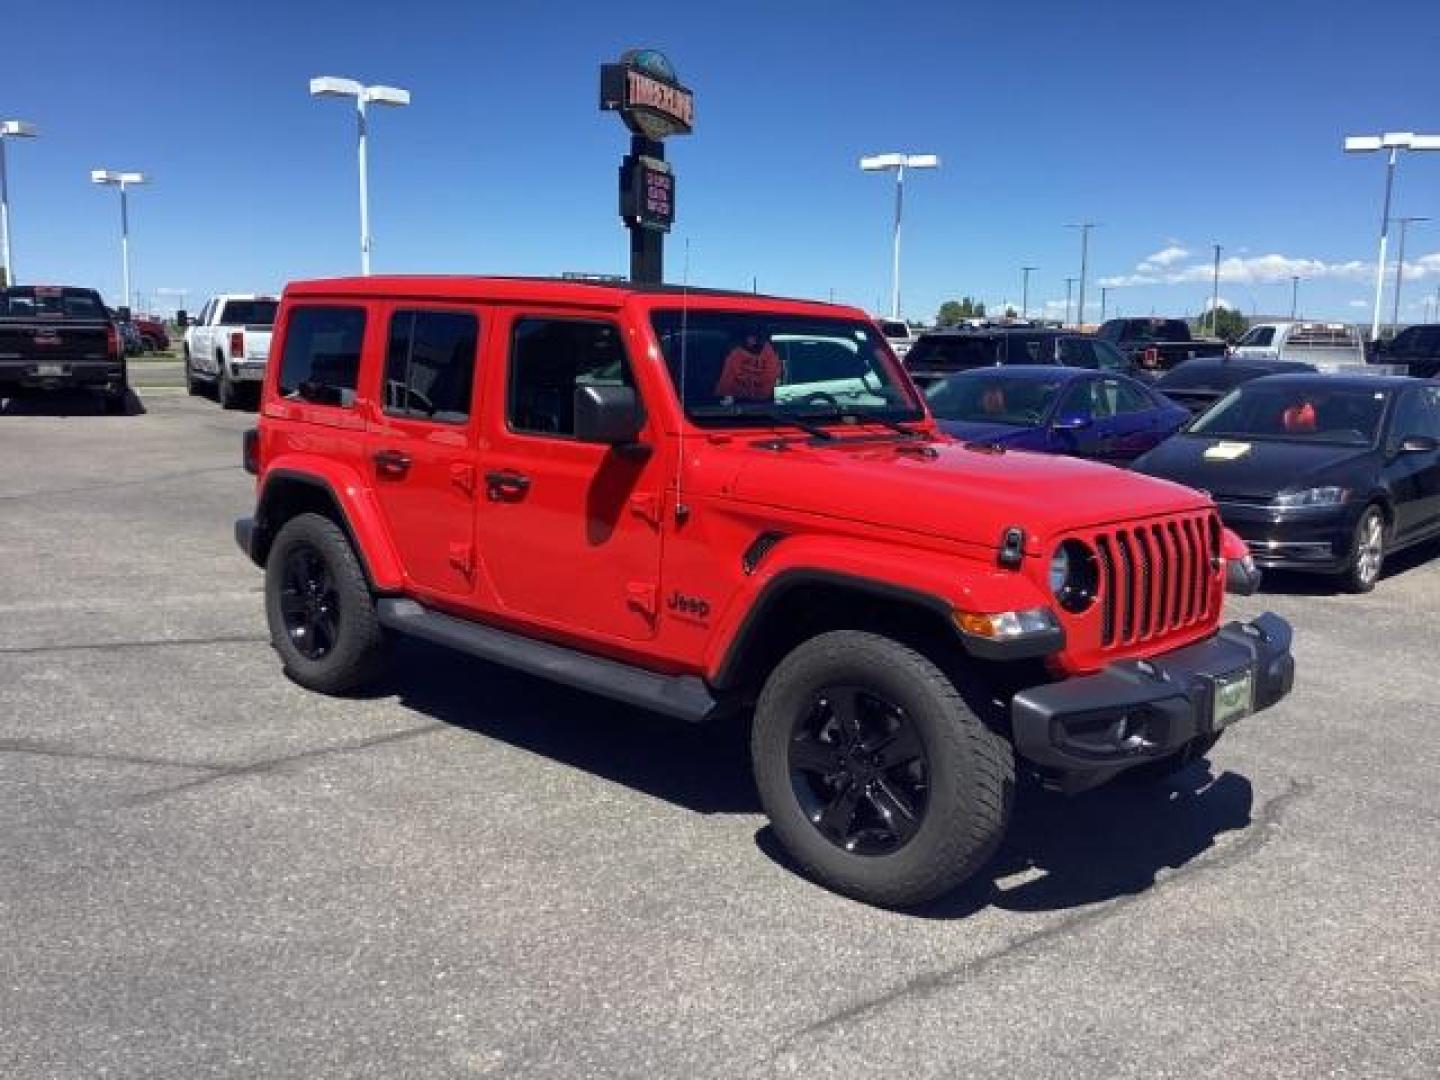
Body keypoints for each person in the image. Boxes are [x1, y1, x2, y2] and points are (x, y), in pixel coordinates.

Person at [714, 325, 782, 402]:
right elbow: (726, 386)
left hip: (766, 407)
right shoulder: (734, 356)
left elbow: (775, 382)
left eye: (757, 336)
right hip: (738, 407)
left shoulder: (771, 355)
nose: (753, 340)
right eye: (750, 336)